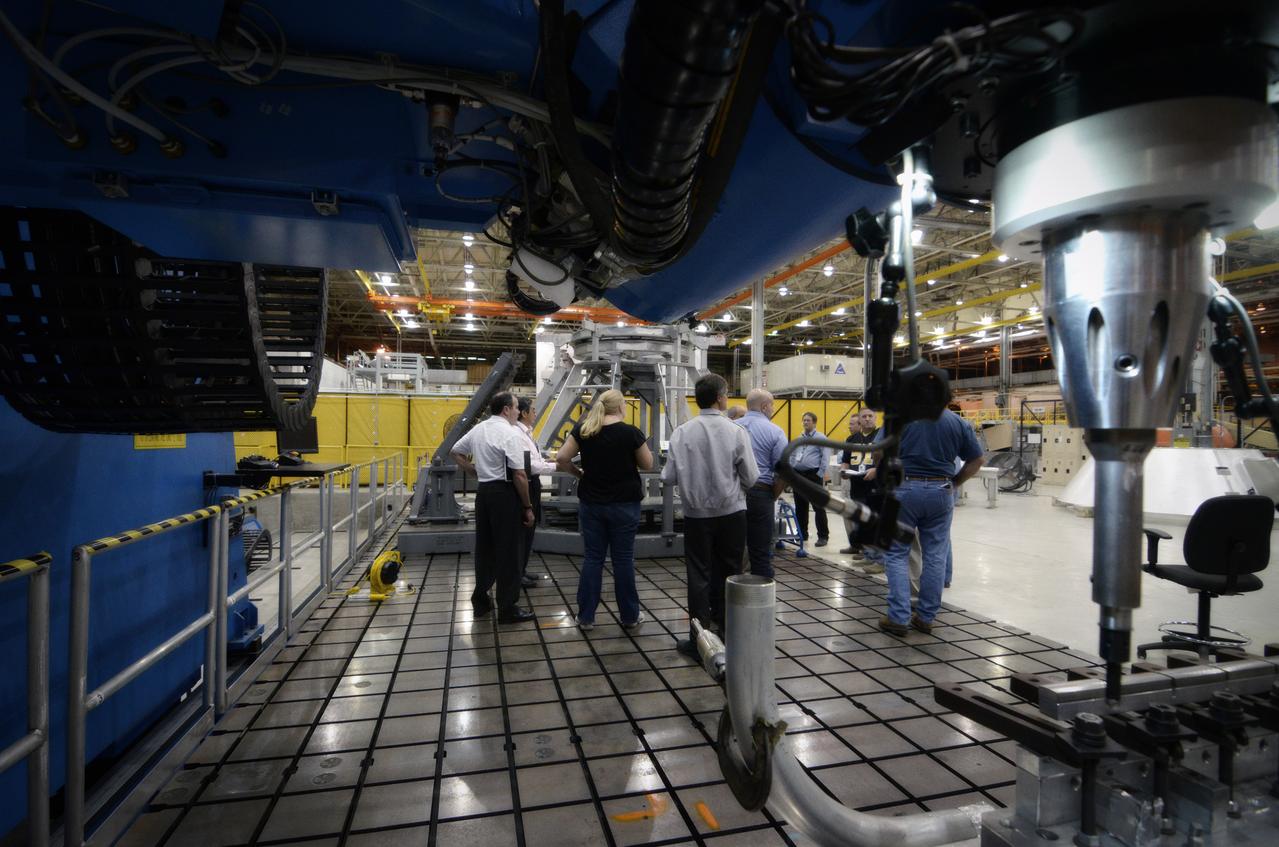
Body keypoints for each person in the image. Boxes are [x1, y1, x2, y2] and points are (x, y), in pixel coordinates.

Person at [662, 373, 758, 658]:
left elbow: (668, 477)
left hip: (695, 516)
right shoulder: (736, 431)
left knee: (698, 575)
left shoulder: (682, 432)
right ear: (719, 398)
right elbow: (751, 478)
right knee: (729, 573)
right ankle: (729, 636)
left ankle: (699, 641)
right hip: (731, 514)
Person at [878, 408, 984, 637]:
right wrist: (954, 483)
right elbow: (977, 460)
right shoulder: (957, 422)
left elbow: (878, 453)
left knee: (896, 553)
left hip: (903, 489)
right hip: (941, 490)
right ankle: (925, 617)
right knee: (936, 554)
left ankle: (898, 616)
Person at [556, 389, 653, 632]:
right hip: (624, 505)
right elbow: (648, 464)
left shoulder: (585, 430)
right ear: (621, 407)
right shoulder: (630, 433)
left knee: (593, 558)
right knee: (622, 560)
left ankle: (586, 617)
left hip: (592, 504)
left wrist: (579, 474)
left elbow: (561, 458)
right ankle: (630, 617)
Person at [450, 393, 537, 623]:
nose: (519, 412)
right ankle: (507, 608)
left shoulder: (479, 429)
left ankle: (481, 602)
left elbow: (455, 451)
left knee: (485, 549)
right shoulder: (510, 434)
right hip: (505, 496)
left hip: (484, 494)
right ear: (507, 409)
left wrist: (473, 471)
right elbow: (519, 474)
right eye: (517, 408)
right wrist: (527, 506)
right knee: (510, 552)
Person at [737, 388, 786, 578]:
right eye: (772, 405)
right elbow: (783, 471)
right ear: (765, 406)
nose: (772, 409)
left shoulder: (731, 426)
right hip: (761, 492)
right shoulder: (775, 431)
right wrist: (771, 495)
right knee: (760, 553)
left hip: (732, 494)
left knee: (731, 547)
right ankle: (759, 599)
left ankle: (726, 597)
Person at [515, 397, 558, 587]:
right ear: (523, 413)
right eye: (532, 410)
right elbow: (530, 466)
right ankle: (517, 574)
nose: (535, 413)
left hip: (533, 483)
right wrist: (557, 466)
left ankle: (521, 570)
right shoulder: (517, 433)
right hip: (527, 482)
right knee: (524, 530)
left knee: (529, 531)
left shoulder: (527, 432)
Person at [838, 408, 884, 575]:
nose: (867, 419)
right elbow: (845, 461)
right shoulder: (852, 439)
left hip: (876, 489)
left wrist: (877, 470)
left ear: (875, 418)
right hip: (857, 487)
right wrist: (843, 471)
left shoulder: (881, 436)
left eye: (870, 416)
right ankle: (869, 554)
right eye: (864, 417)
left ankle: (880, 560)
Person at [788, 412, 831, 547]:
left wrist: (819, 474)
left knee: (818, 507)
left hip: (813, 476)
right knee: (800, 507)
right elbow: (793, 455)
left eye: (808, 420)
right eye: (804, 420)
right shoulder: (799, 438)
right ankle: (802, 534)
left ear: (814, 422)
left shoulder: (820, 438)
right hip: (798, 475)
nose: (805, 422)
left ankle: (823, 536)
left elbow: (825, 457)